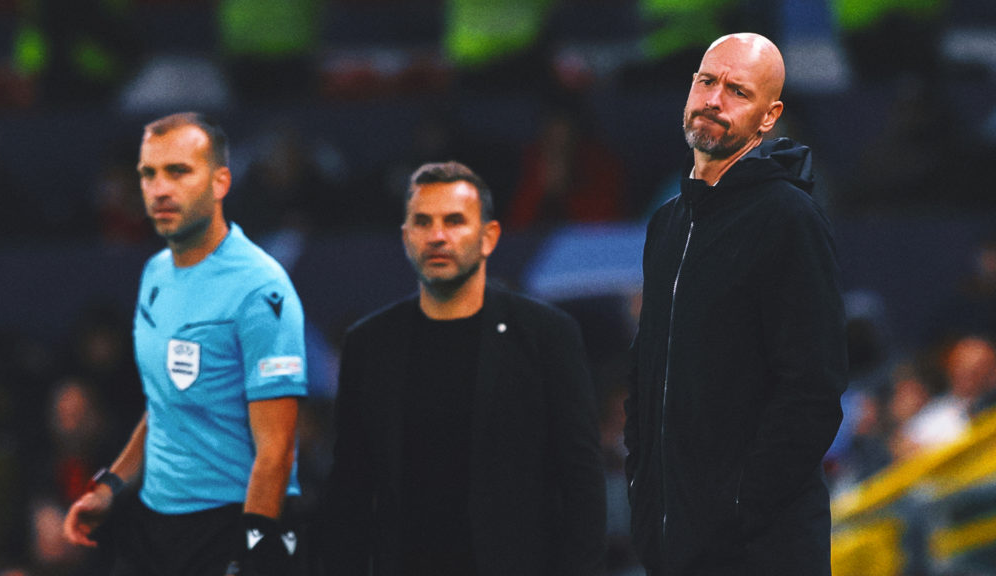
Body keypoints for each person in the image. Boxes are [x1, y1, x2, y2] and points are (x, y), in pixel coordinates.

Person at [623, 33, 847, 576]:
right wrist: (644, 498)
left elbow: (813, 392)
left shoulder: (789, 218)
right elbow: (648, 376)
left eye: (738, 91)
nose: (714, 100)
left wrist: (738, 509)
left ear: (769, 117)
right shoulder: (667, 224)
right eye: (707, 81)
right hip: (675, 548)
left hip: (760, 552)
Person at [316, 161, 606, 575]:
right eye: (423, 222)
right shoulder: (369, 344)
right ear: (405, 236)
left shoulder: (546, 335)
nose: (437, 236)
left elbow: (582, 481)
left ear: (489, 237)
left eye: (454, 221)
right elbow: (349, 489)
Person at [61, 112, 309, 576]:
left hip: (229, 524)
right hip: (153, 527)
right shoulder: (156, 274)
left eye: (178, 172)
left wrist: (250, 552)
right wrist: (110, 487)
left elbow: (277, 451)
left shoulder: (260, 289)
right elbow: (165, 406)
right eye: (149, 174)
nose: (159, 189)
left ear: (220, 182)